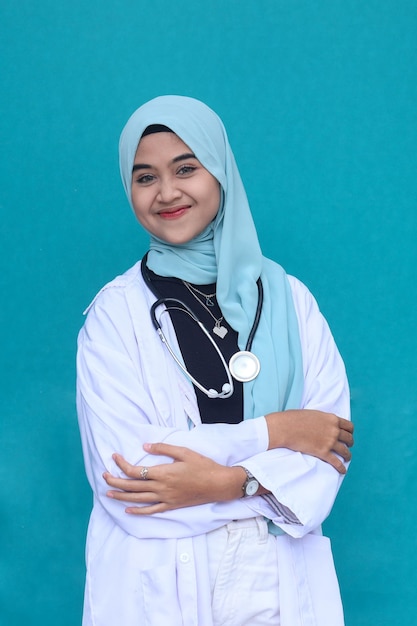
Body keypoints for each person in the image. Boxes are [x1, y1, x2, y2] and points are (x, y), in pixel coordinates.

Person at [76, 95, 354, 626]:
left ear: (220, 170)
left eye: (186, 168)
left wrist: (226, 483)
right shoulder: (114, 314)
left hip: (278, 585)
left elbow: (326, 451)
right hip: (154, 590)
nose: (167, 192)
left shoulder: (291, 301)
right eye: (145, 177)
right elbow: (129, 478)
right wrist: (273, 434)